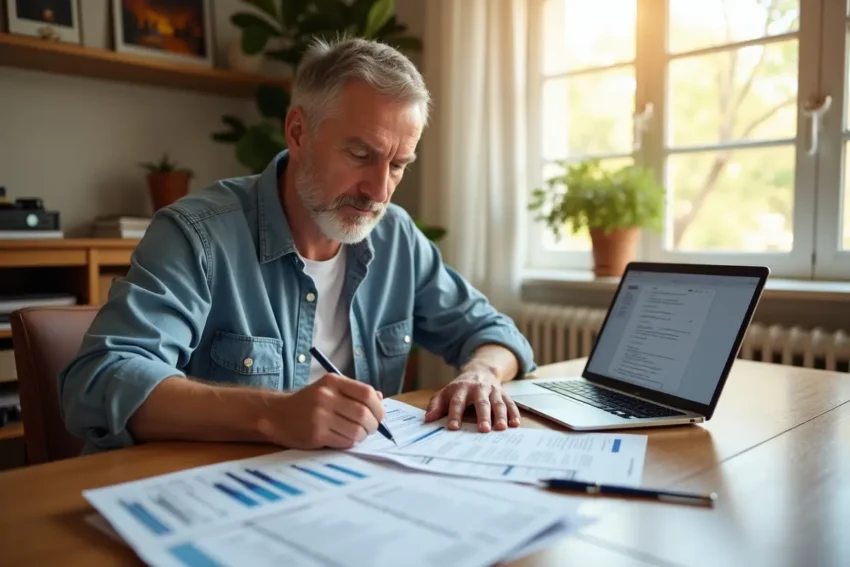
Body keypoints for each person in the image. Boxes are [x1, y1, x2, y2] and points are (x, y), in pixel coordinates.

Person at [58, 37, 536, 455]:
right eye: (360, 154)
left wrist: (481, 373)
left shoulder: (396, 237)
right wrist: (273, 414)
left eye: (397, 165)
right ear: (298, 131)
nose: (379, 191)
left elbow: (495, 333)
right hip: (209, 490)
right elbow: (100, 379)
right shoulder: (197, 234)